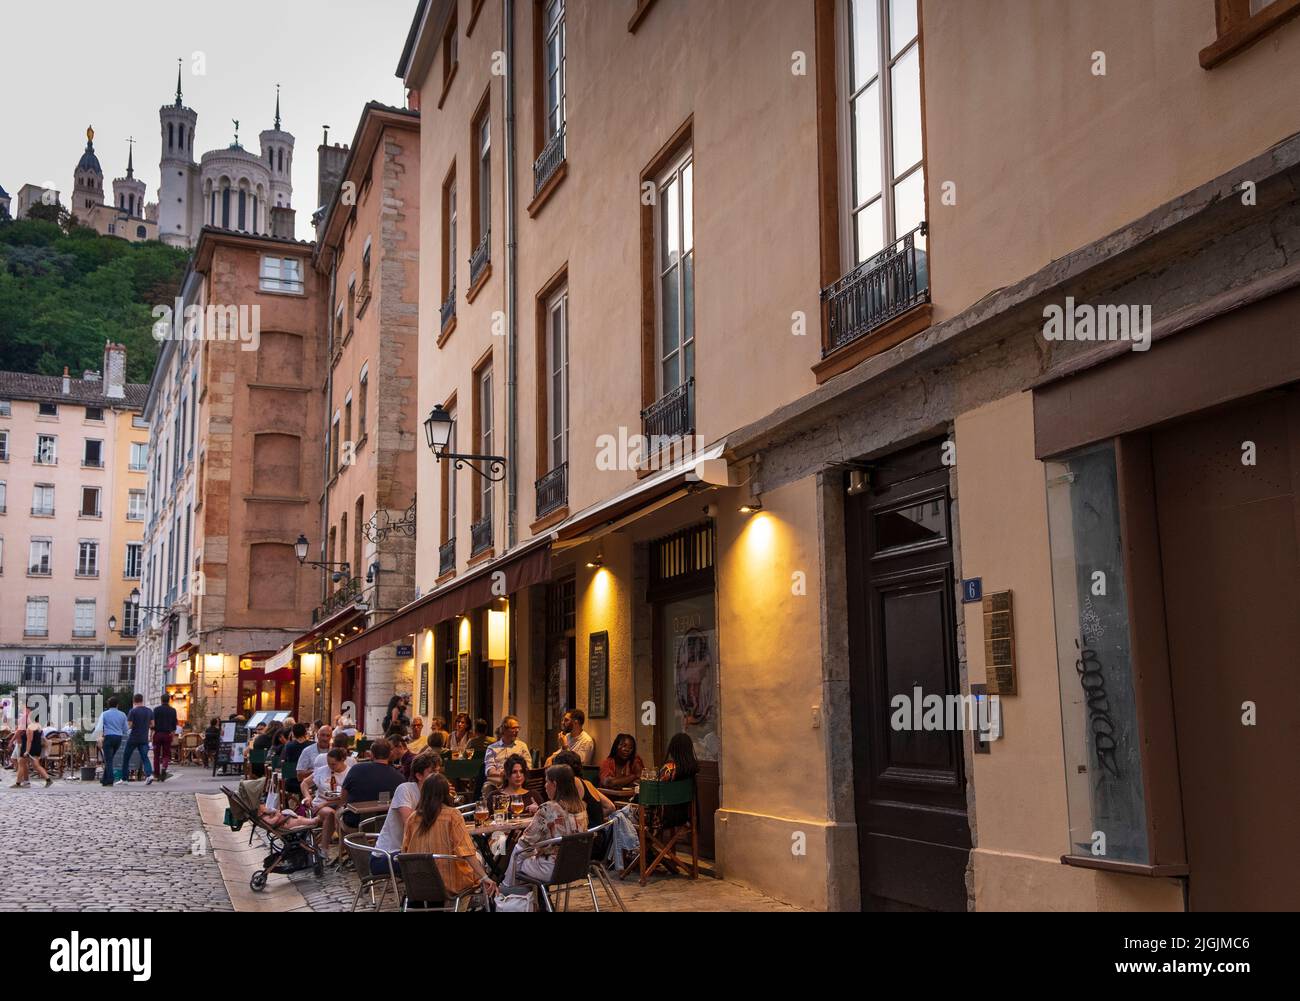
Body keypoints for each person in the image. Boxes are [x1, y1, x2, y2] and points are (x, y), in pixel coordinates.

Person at [401, 773, 497, 902]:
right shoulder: (452, 815)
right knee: (478, 859)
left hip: (419, 885)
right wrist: (485, 877)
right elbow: (466, 851)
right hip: (449, 885)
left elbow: (405, 851)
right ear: (446, 793)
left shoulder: (412, 818)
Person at [502, 764, 588, 886]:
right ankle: (533, 899)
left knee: (518, 853)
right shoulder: (582, 807)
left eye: (546, 781)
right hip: (575, 868)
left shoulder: (548, 808)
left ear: (555, 784)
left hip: (552, 869)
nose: (545, 786)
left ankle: (507, 893)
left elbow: (525, 842)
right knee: (527, 853)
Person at [371, 751, 439, 878]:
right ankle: (416, 897)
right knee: (432, 864)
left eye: (439, 772)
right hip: (386, 855)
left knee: (450, 859)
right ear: (419, 776)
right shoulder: (405, 789)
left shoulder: (435, 794)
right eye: (432, 772)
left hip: (413, 853)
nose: (437, 777)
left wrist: (445, 799)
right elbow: (410, 823)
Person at [338, 739, 404, 832]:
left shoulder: (357, 769)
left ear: (372, 754)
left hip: (355, 822)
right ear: (389, 755)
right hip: (385, 824)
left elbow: (343, 796)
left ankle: (344, 845)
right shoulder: (399, 777)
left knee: (338, 812)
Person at [308, 747, 353, 855]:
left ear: (342, 760)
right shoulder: (322, 770)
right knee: (330, 814)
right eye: (328, 763)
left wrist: (327, 803)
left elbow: (346, 797)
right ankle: (324, 848)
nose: (330, 767)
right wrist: (307, 796)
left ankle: (346, 850)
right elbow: (304, 783)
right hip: (321, 801)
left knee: (338, 815)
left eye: (333, 764)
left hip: (340, 802)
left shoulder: (350, 772)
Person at [656, 732, 699, 836]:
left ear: (672, 749)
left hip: (665, 817)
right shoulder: (692, 769)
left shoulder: (669, 769)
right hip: (685, 816)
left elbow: (656, 789)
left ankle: (647, 849)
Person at [482, 716, 529, 793]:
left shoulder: (522, 746)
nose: (517, 730)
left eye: (518, 728)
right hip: (498, 780)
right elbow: (489, 770)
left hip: (518, 779)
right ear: (504, 730)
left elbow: (528, 767)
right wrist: (503, 773)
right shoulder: (492, 748)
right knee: (487, 787)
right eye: (513, 728)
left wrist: (513, 773)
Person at [119, 694, 155, 786]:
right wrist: (145, 725)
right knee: (144, 757)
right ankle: (149, 775)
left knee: (126, 757)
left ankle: (124, 779)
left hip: (133, 738)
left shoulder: (133, 711)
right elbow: (152, 725)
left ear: (134, 701)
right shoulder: (149, 711)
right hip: (144, 738)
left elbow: (129, 725)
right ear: (142, 700)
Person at [95, 697, 130, 787]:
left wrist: (98, 738)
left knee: (108, 760)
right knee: (110, 759)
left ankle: (110, 779)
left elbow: (99, 727)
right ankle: (104, 779)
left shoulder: (104, 714)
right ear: (117, 705)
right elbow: (126, 729)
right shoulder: (122, 714)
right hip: (118, 738)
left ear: (108, 705)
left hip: (108, 737)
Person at [12, 720, 52, 788]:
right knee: (36, 765)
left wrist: (27, 751)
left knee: (21, 763)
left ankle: (18, 783)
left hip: (29, 748)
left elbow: (29, 740)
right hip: (35, 748)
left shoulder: (30, 728)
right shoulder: (38, 728)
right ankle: (48, 780)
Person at [151, 694, 179, 781]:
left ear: (161, 700)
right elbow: (174, 724)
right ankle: (164, 767)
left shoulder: (156, 710)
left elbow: (153, 723)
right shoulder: (173, 710)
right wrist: (173, 734)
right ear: (169, 700)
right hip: (167, 734)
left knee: (156, 755)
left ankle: (156, 774)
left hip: (158, 734)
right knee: (166, 754)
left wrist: (151, 734)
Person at [281, 722, 312, 799]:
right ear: (305, 732)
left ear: (293, 733)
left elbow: (284, 762)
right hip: (309, 781)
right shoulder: (312, 745)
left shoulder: (288, 746)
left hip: (291, 782)